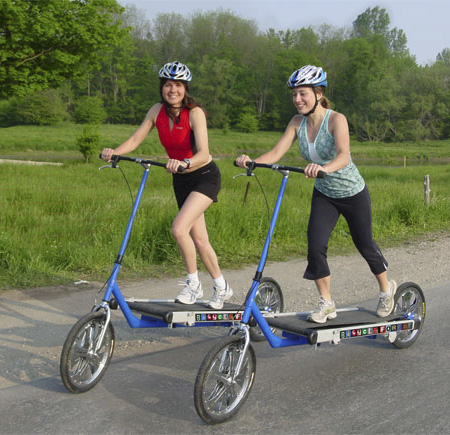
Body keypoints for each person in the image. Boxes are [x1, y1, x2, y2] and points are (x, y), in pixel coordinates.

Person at [236, 65, 396, 323]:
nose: (297, 100)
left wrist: (323, 167)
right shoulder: (296, 123)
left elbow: (344, 156)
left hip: (352, 192)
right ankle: (327, 303)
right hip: (325, 194)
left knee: (365, 245)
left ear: (318, 93)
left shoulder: (336, 119)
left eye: (303, 94)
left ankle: (387, 290)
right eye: (294, 94)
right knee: (315, 246)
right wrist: (252, 161)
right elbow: (276, 153)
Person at [101, 61, 233, 309]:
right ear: (162, 88)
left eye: (178, 85)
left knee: (179, 229)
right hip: (181, 179)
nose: (173, 90)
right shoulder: (156, 111)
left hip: (204, 176)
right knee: (200, 239)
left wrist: (184, 161)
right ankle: (222, 286)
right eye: (168, 85)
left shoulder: (195, 113)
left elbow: (204, 154)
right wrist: (114, 152)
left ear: (185, 88)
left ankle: (193, 284)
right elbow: (136, 139)